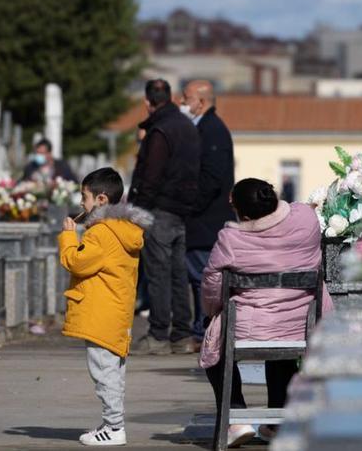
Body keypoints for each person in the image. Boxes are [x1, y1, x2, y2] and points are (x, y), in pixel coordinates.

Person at [200, 178, 334, 448]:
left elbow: (212, 287)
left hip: (250, 325)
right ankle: (275, 424)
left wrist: (213, 312)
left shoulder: (232, 238)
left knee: (213, 334)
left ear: (243, 214)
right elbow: (298, 208)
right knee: (281, 337)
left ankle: (235, 418)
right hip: (302, 322)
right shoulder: (306, 219)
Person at [59, 168, 149, 447]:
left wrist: (67, 238)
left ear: (100, 200)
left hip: (101, 312)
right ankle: (112, 423)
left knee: (104, 373)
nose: (80, 203)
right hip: (115, 311)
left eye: (83, 197)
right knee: (112, 371)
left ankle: (114, 427)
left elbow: (77, 262)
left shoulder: (102, 233)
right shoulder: (123, 229)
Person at [128, 79, 200, 356]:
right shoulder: (187, 127)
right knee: (177, 274)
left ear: (147, 102)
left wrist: (137, 210)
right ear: (169, 97)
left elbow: (151, 177)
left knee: (158, 274)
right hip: (182, 210)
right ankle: (181, 334)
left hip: (159, 210)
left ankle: (158, 334)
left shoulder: (159, 131)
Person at [181, 80, 235, 352]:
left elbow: (211, 178)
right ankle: (201, 331)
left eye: (186, 98)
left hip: (205, 221)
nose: (183, 103)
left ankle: (204, 333)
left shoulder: (212, 131)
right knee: (198, 279)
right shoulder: (204, 128)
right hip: (201, 220)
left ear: (201, 102)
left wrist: (188, 205)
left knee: (204, 280)